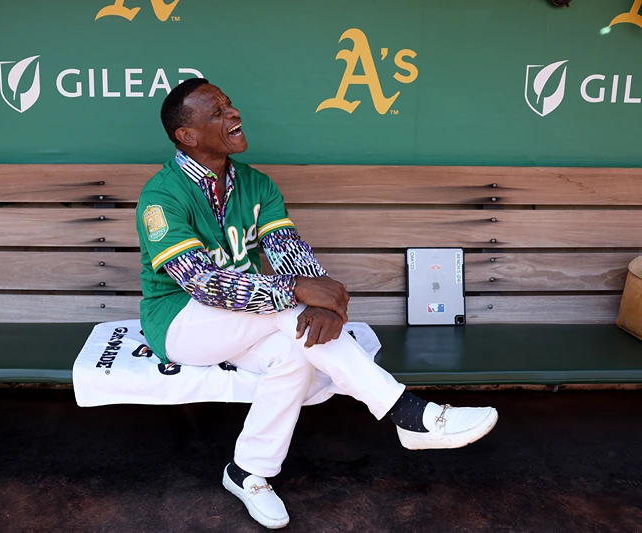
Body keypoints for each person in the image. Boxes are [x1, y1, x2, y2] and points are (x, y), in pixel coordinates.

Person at [135, 78, 498, 529]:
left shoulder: (256, 184)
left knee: (296, 352)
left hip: (244, 319)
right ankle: (408, 412)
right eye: (217, 113)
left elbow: (288, 250)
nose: (233, 115)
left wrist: (319, 300)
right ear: (186, 136)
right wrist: (298, 293)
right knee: (292, 316)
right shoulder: (161, 195)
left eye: (230, 104)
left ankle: (248, 471)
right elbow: (202, 283)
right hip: (179, 323)